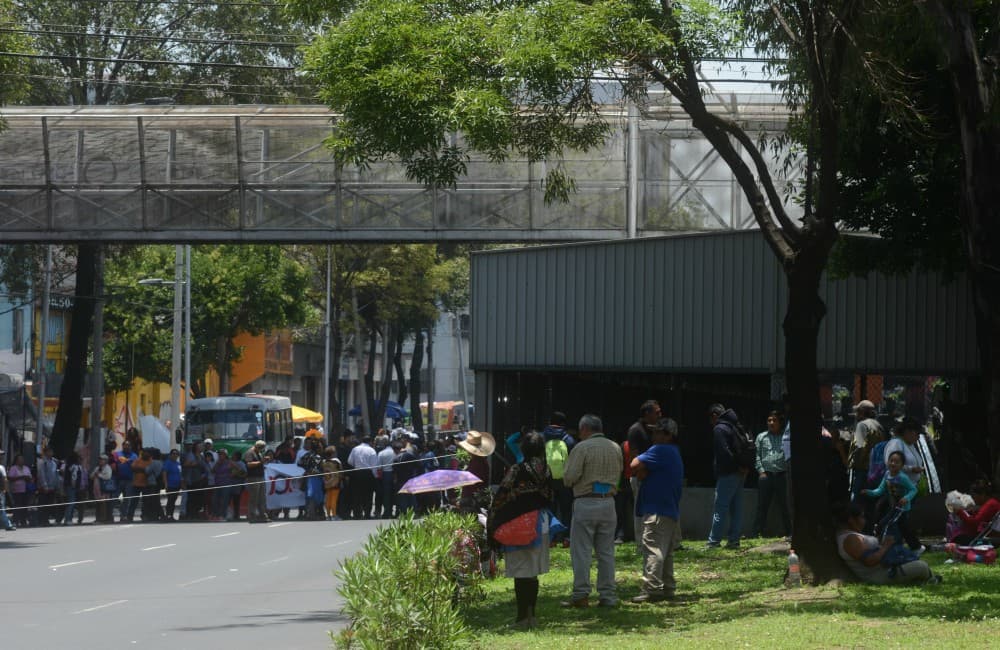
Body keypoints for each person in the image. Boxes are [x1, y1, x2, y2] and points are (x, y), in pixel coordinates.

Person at [487, 431, 554, 629]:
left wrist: (493, 518)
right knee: (532, 573)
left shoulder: (518, 469)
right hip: (541, 523)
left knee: (520, 573)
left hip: (520, 525)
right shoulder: (546, 469)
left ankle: (521, 618)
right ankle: (532, 616)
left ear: (524, 448)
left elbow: (502, 494)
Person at [561, 414, 622, 608]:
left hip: (586, 502)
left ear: (585, 429)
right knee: (606, 552)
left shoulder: (581, 448)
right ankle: (608, 596)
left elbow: (569, 478)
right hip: (609, 503)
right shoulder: (615, 447)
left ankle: (581, 595)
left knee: (582, 552)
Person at [630, 418, 683, 603]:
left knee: (652, 548)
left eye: (656, 432)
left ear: (667, 435)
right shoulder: (674, 452)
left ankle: (652, 588)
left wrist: (642, 470)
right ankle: (668, 588)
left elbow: (634, 465)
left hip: (656, 510)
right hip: (670, 509)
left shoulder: (660, 450)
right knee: (666, 552)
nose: (653, 436)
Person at [834, 501, 939, 585]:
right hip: (879, 575)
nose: (864, 521)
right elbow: (869, 561)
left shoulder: (851, 535)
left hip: (885, 569)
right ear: (851, 520)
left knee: (914, 561)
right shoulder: (850, 539)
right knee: (921, 566)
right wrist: (885, 546)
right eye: (862, 517)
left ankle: (924, 578)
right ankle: (930, 579)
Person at [706, 403, 748, 549]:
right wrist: (742, 467)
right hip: (740, 472)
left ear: (714, 416)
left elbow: (724, 453)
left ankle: (714, 541)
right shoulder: (735, 426)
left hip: (728, 473)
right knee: (736, 508)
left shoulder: (719, 428)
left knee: (720, 507)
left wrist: (735, 466)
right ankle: (734, 541)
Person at [862, 450, 922, 553]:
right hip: (894, 507)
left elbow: (914, 490)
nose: (893, 463)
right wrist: (869, 492)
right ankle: (914, 547)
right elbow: (880, 490)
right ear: (888, 462)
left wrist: (906, 498)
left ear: (902, 465)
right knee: (901, 527)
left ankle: (882, 544)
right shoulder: (887, 475)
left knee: (886, 523)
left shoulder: (902, 478)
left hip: (902, 509)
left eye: (897, 462)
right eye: (891, 461)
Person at [625, 401, 661, 548]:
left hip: (654, 476)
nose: (660, 415)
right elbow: (633, 455)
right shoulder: (636, 430)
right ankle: (640, 543)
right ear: (647, 413)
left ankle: (654, 539)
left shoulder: (656, 429)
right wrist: (642, 472)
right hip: (640, 475)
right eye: (657, 412)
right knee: (640, 511)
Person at [751, 411, 790, 538]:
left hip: (782, 475)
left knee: (785, 506)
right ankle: (757, 533)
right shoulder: (761, 437)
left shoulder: (785, 437)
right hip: (765, 476)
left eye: (774, 420)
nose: (771, 423)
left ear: (780, 422)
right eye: (769, 420)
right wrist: (761, 471)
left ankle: (789, 532)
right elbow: (756, 455)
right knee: (762, 505)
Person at [849, 400, 884, 501]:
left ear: (862, 412)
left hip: (863, 469)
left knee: (857, 500)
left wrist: (855, 464)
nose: (856, 415)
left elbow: (860, 447)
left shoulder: (862, 425)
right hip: (877, 469)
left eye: (858, 412)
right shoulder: (878, 425)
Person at [951, 479, 1000, 545]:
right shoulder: (990, 503)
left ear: (983, 494)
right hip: (987, 535)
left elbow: (974, 523)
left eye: (973, 496)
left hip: (989, 538)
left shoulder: (990, 504)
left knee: (958, 539)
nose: (973, 499)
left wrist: (959, 512)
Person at [347, 435, 378, 519]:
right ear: (370, 442)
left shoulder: (355, 449)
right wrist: (375, 477)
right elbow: (374, 466)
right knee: (368, 494)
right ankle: (367, 513)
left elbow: (350, 461)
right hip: (368, 474)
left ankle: (357, 514)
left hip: (357, 473)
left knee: (357, 494)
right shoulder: (372, 451)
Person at [244, 440, 269, 523]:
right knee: (254, 498)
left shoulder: (258, 453)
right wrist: (260, 462)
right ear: (257, 447)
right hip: (253, 478)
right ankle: (252, 516)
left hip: (260, 476)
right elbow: (249, 464)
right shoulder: (249, 453)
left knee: (262, 497)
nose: (262, 450)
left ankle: (262, 515)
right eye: (261, 448)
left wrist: (263, 462)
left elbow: (259, 463)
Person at [115, 441, 139, 522]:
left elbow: (135, 465)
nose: (127, 447)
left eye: (128, 445)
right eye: (125, 445)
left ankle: (123, 515)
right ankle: (112, 513)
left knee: (127, 499)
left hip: (129, 480)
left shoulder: (134, 455)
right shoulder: (118, 454)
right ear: (122, 446)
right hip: (118, 480)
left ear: (131, 446)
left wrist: (127, 461)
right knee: (115, 498)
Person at [35, 446, 59, 526]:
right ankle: (41, 520)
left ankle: (46, 519)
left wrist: (56, 485)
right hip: (44, 488)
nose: (51, 453)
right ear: (45, 453)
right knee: (43, 504)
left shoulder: (54, 462)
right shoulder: (43, 462)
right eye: (49, 452)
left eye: (51, 452)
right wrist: (45, 486)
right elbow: (42, 475)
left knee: (50, 504)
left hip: (52, 487)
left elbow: (55, 474)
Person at [8, 453, 32, 528]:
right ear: (16, 461)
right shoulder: (13, 468)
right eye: (19, 459)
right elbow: (10, 478)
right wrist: (21, 477)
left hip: (26, 489)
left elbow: (30, 477)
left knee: (25, 505)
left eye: (22, 459)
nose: (21, 460)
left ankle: (23, 520)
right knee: (18, 505)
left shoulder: (26, 468)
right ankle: (15, 521)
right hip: (16, 490)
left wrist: (28, 478)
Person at [61, 452, 84, 525]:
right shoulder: (75, 466)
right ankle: (67, 519)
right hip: (72, 486)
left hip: (67, 486)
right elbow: (74, 477)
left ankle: (69, 519)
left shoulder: (68, 466)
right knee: (71, 503)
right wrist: (74, 486)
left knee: (70, 502)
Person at [376, 436, 397, 518]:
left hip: (385, 474)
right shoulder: (395, 452)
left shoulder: (381, 453)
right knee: (394, 493)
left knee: (386, 494)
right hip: (394, 473)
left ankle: (387, 512)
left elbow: (379, 467)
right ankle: (394, 511)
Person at [322, 446, 343, 521]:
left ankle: (328, 515)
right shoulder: (336, 461)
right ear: (333, 453)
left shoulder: (324, 462)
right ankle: (334, 515)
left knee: (328, 499)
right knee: (334, 499)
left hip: (327, 482)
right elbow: (340, 471)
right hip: (335, 483)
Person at [163, 449, 184, 521]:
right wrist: (166, 484)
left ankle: (171, 515)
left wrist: (181, 484)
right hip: (170, 485)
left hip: (177, 485)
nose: (175, 455)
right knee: (170, 500)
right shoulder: (168, 463)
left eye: (176, 454)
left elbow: (180, 474)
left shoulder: (178, 464)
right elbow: (165, 474)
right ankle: (167, 515)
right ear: (170, 454)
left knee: (174, 500)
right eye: (173, 453)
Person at [0, 448, 15, 531]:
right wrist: (5, 490)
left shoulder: (1, 467)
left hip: (1, 491)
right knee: (1, 508)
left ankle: (8, 524)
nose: (1, 457)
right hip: (0, 492)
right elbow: (5, 480)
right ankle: (8, 525)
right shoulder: (1, 467)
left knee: (1, 509)